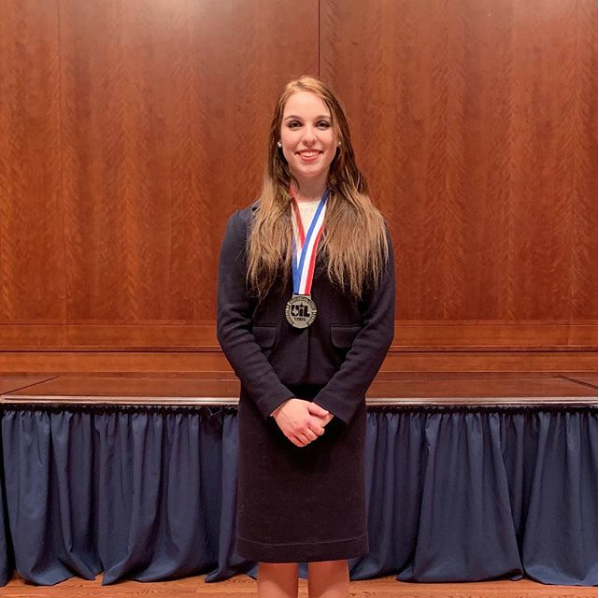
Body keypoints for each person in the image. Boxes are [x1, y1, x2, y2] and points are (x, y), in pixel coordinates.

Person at [217, 76, 395, 598]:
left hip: (335, 419)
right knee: (273, 562)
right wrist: (279, 404)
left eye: (321, 124)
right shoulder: (245, 227)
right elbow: (231, 325)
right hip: (269, 416)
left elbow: (377, 329)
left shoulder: (370, 228)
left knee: (329, 560)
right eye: (295, 124)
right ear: (278, 138)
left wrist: (332, 405)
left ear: (339, 137)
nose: (308, 137)